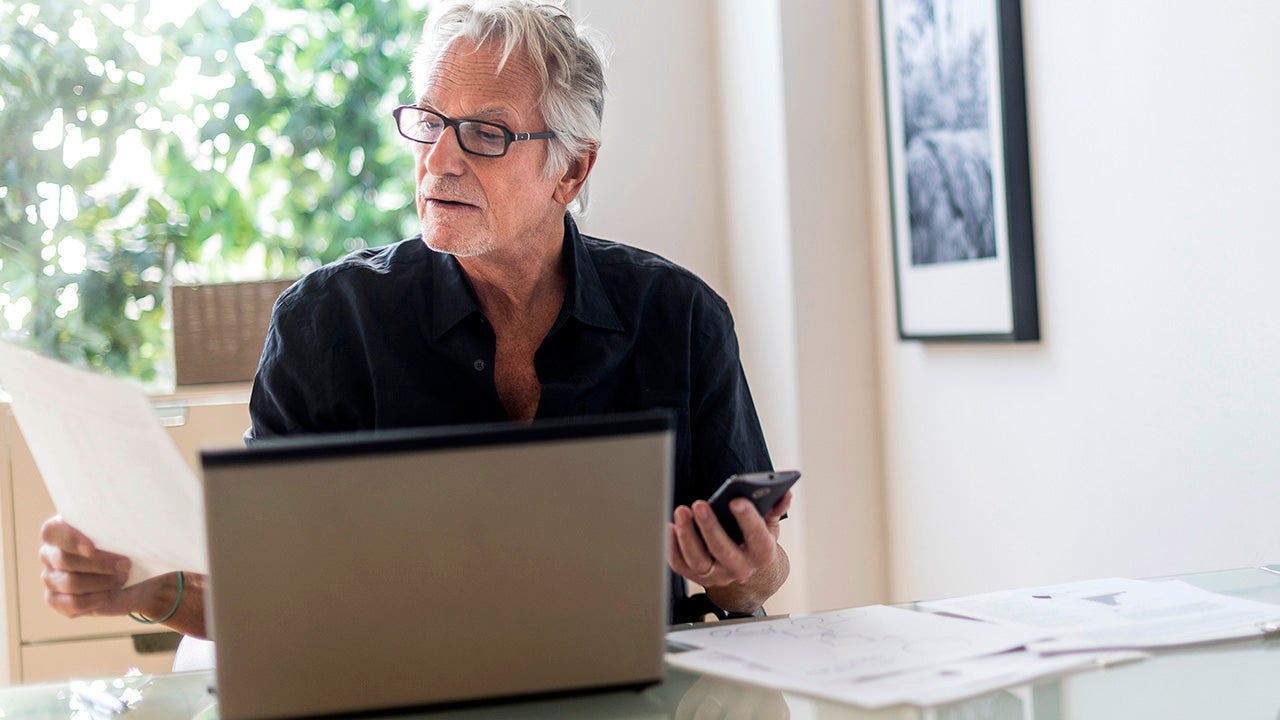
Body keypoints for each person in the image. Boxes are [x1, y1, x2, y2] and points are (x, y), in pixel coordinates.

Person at [39, 0, 790, 638]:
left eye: (487, 134)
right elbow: (271, 593)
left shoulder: (681, 317)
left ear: (572, 169)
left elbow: (752, 578)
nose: (439, 161)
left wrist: (746, 576)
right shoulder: (325, 325)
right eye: (430, 122)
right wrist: (145, 590)